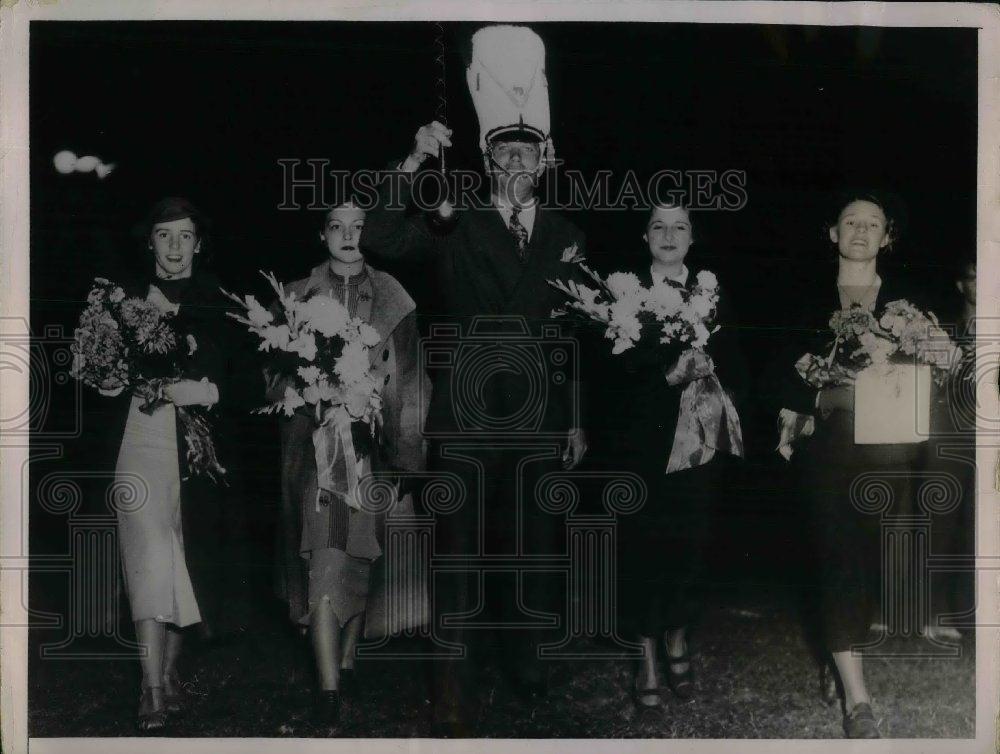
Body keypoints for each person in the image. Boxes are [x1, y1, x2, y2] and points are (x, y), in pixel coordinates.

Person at [363, 114, 589, 733]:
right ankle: (452, 692)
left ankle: (529, 670)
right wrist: (412, 158)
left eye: (528, 152)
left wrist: (572, 419)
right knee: (459, 559)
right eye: (504, 153)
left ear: (545, 164)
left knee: (535, 552)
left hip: (539, 416)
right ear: (489, 165)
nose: (516, 162)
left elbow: (570, 331)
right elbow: (379, 234)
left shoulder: (569, 234)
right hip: (465, 416)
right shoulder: (453, 220)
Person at [268, 201, 430, 724]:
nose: (348, 236)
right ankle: (328, 691)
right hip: (314, 452)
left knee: (359, 551)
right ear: (322, 235)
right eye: (337, 226)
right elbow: (270, 379)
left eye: (359, 227)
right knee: (323, 554)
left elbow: (409, 382)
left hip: (372, 452)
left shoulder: (393, 298)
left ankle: (347, 656)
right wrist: (310, 389)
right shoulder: (295, 296)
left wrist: (404, 454)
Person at [777, 192, 925, 738]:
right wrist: (814, 393)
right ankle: (857, 699)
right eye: (849, 222)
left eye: (873, 224)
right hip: (825, 446)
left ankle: (833, 651)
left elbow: (926, 376)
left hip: (888, 449)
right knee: (838, 556)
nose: (861, 231)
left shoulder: (910, 303)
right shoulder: (799, 298)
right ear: (832, 234)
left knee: (869, 560)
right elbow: (777, 369)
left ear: (887, 238)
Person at [598, 204, 745, 708]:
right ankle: (644, 657)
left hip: (700, 443)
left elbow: (739, 361)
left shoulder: (714, 291)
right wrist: (665, 378)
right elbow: (608, 375)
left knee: (691, 542)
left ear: (692, 237)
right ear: (644, 236)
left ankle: (678, 637)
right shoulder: (619, 293)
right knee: (639, 546)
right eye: (658, 225)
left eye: (679, 226)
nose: (668, 234)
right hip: (640, 443)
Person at [103, 197, 237, 731]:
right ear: (149, 242)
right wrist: (107, 383)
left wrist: (207, 389)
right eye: (165, 235)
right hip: (137, 436)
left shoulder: (220, 300)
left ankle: (170, 673)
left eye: (185, 236)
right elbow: (94, 374)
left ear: (199, 243)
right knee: (148, 549)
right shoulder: (120, 301)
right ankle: (151, 687)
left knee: (183, 550)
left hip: (194, 447)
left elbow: (247, 380)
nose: (176, 247)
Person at [923, 256, 976, 642]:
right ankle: (932, 610)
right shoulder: (941, 326)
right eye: (975, 277)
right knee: (941, 521)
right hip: (948, 435)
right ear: (961, 285)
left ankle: (971, 615)